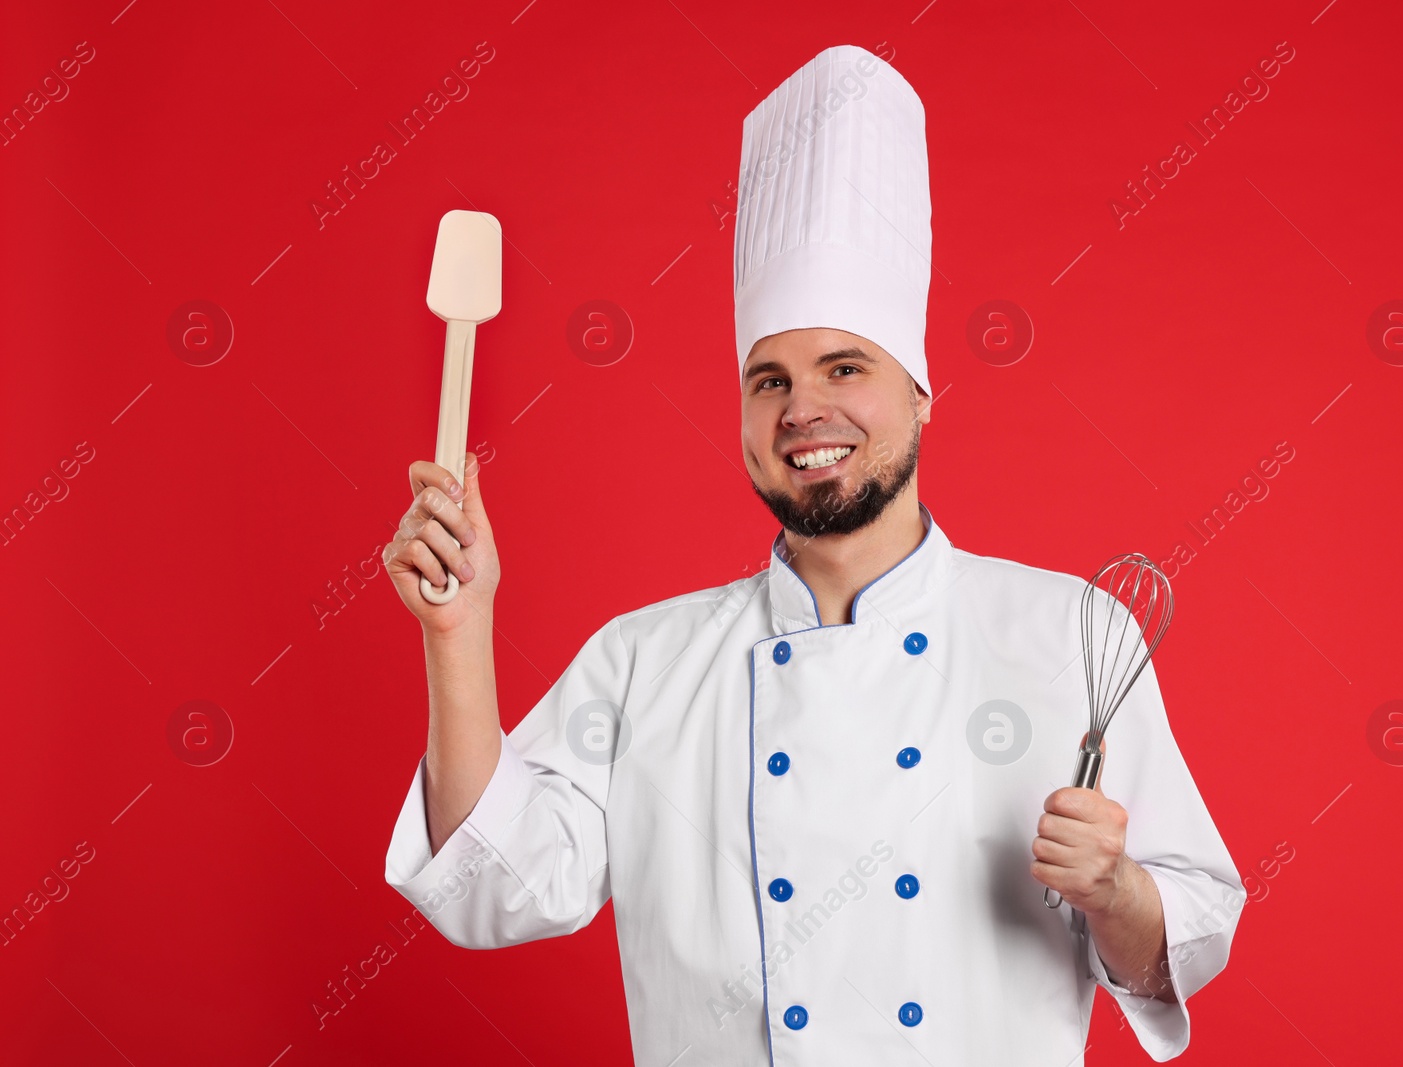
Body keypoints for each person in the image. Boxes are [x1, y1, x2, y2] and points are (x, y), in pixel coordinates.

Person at [382, 43, 1243, 1065]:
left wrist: (1116, 891)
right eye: (768, 378)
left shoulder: (1070, 634)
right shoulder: (646, 658)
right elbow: (494, 886)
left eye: (844, 366)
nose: (803, 410)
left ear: (920, 390)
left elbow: (1182, 940)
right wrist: (458, 630)